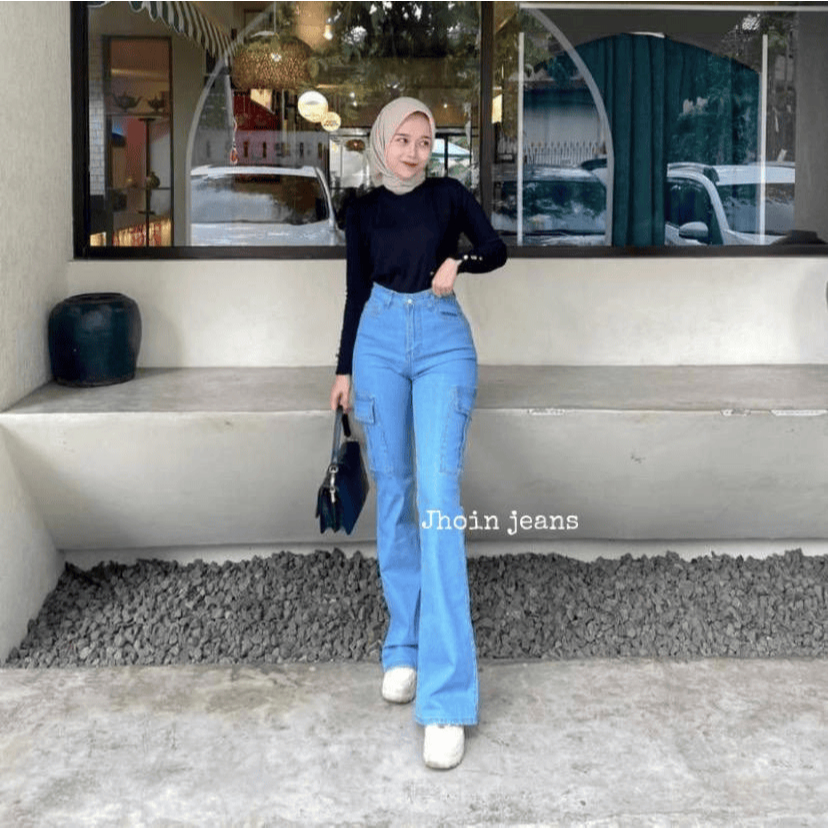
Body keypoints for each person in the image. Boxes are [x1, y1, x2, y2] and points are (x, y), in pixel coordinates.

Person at [329, 97, 507, 770]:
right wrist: (343, 369)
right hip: (377, 341)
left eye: (424, 141)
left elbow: (497, 249)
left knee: (437, 499)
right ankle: (403, 642)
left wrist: (460, 263)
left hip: (441, 342)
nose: (413, 151)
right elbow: (355, 293)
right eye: (402, 139)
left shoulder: (449, 196)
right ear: (381, 142)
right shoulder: (363, 211)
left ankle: (448, 696)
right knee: (397, 494)